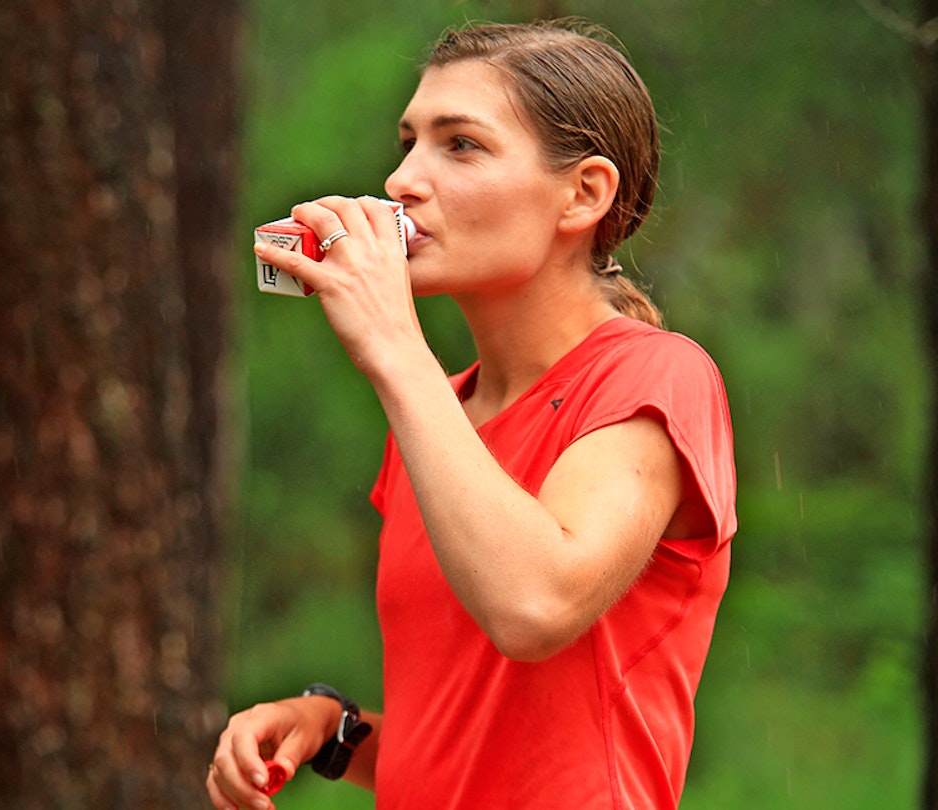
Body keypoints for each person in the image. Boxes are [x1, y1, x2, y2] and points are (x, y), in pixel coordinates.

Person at [206, 19, 737, 810]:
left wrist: (393, 346)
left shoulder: (655, 378)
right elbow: (478, 753)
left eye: (460, 145)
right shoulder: (439, 412)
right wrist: (336, 728)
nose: (401, 182)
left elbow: (534, 607)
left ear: (584, 194)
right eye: (409, 140)